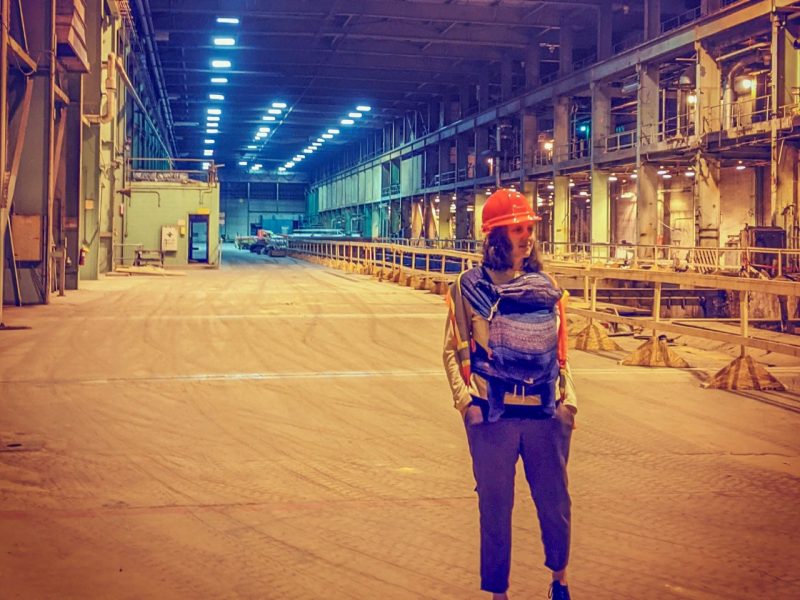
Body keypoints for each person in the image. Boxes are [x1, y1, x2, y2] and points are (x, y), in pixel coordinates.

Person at [442, 188, 577, 600]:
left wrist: (569, 403)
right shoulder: (468, 288)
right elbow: (452, 350)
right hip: (492, 418)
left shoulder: (546, 285)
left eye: (529, 228)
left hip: (545, 415)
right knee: (495, 511)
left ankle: (560, 581)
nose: (526, 236)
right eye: (517, 229)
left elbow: (561, 352)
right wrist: (466, 404)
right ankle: (498, 593)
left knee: (554, 506)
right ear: (496, 236)